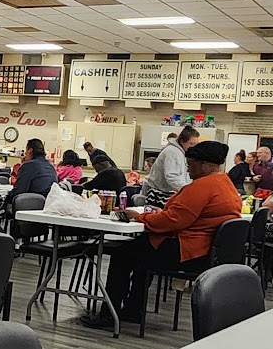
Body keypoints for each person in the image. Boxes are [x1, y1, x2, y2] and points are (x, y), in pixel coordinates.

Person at [88, 140, 241, 328]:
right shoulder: (226, 184)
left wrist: (140, 217)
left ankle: (108, 314)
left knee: (123, 255)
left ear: (204, 164)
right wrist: (162, 214)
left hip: (188, 252)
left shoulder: (202, 186)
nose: (187, 169)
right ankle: (133, 309)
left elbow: (173, 222)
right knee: (140, 253)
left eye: (190, 164)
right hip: (207, 253)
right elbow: (186, 216)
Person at [142, 124, 196, 202]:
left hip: (168, 192)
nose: (194, 147)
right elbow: (172, 176)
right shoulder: (172, 152)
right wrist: (188, 190)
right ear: (182, 141)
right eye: (191, 144)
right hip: (158, 194)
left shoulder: (182, 152)